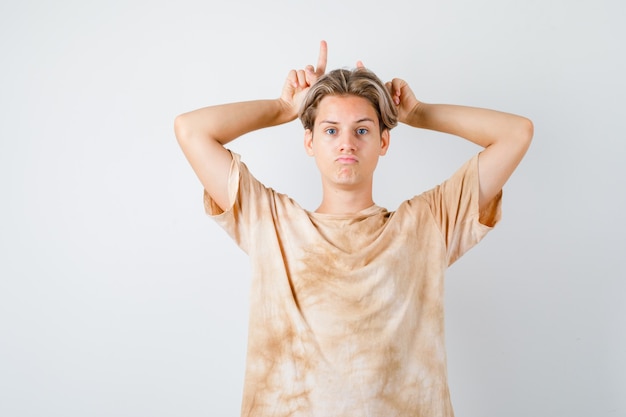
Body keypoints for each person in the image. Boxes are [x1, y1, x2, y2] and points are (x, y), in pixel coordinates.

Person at [174, 40, 533, 417]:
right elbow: (191, 130)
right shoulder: (271, 223)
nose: (346, 143)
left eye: (362, 131)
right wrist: (283, 109)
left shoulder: (428, 223)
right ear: (309, 141)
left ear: (383, 141)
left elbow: (517, 134)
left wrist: (419, 113)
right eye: (330, 131)